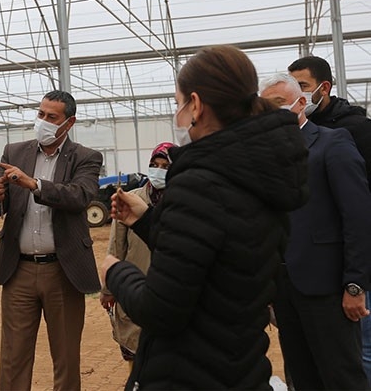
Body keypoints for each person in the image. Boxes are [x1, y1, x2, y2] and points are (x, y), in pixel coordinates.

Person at [101, 45, 309, 389]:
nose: (178, 114)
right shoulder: (259, 172)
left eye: (178, 103)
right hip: (239, 362)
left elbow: (161, 309)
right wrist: (147, 221)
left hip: (190, 372)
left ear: (196, 105)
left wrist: (116, 271)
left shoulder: (200, 182)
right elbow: (216, 251)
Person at [0, 90, 103, 391]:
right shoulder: (15, 151)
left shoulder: (86, 157)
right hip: (18, 270)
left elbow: (79, 196)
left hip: (62, 270)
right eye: (41, 114)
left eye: (52, 117)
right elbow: (2, 204)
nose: (43, 122)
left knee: (65, 357)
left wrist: (34, 184)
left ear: (69, 122)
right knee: (13, 356)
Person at [260, 73, 371, 390]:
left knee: (342, 376)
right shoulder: (266, 159)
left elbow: (358, 216)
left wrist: (355, 284)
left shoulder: (331, 143)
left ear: (300, 103)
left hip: (327, 288)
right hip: (283, 288)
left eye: (279, 104)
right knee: (302, 374)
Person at [99, 142, 175, 370]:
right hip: (135, 287)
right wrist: (108, 289)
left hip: (171, 291)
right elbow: (116, 246)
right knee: (137, 357)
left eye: (165, 166)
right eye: (154, 165)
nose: (158, 170)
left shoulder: (182, 202)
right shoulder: (132, 198)